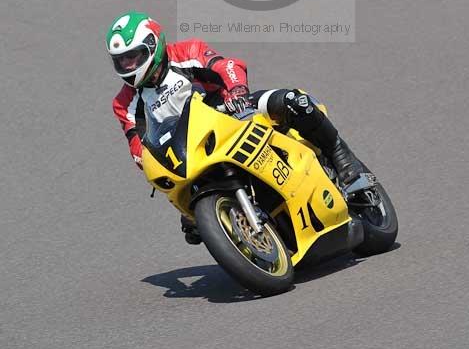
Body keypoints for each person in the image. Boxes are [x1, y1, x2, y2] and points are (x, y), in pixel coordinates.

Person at [108, 12, 364, 244]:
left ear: (153, 46)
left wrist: (237, 91)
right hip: (189, 152)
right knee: (179, 200)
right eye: (122, 61)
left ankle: (339, 152)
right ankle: (215, 218)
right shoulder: (124, 103)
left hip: (229, 117)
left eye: (134, 56)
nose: (129, 66)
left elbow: (226, 66)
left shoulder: (185, 53)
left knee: (292, 101)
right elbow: (139, 147)